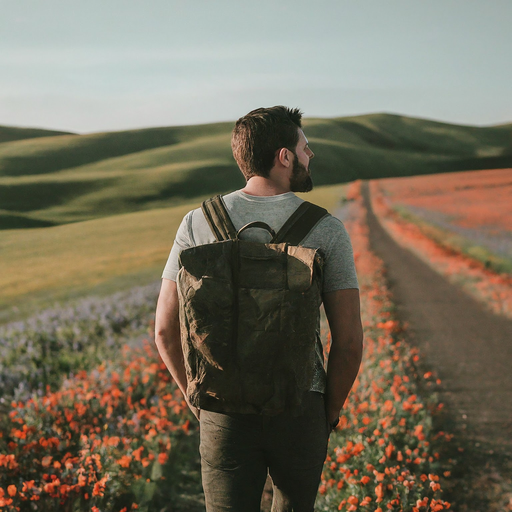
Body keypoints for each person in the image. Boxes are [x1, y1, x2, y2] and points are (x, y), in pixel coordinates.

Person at [154, 106, 363, 512]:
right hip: (299, 407)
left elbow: (164, 331)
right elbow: (350, 341)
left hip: (222, 408)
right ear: (284, 156)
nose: (311, 155)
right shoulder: (325, 229)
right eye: (305, 147)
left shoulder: (197, 222)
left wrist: (195, 398)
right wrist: (328, 412)